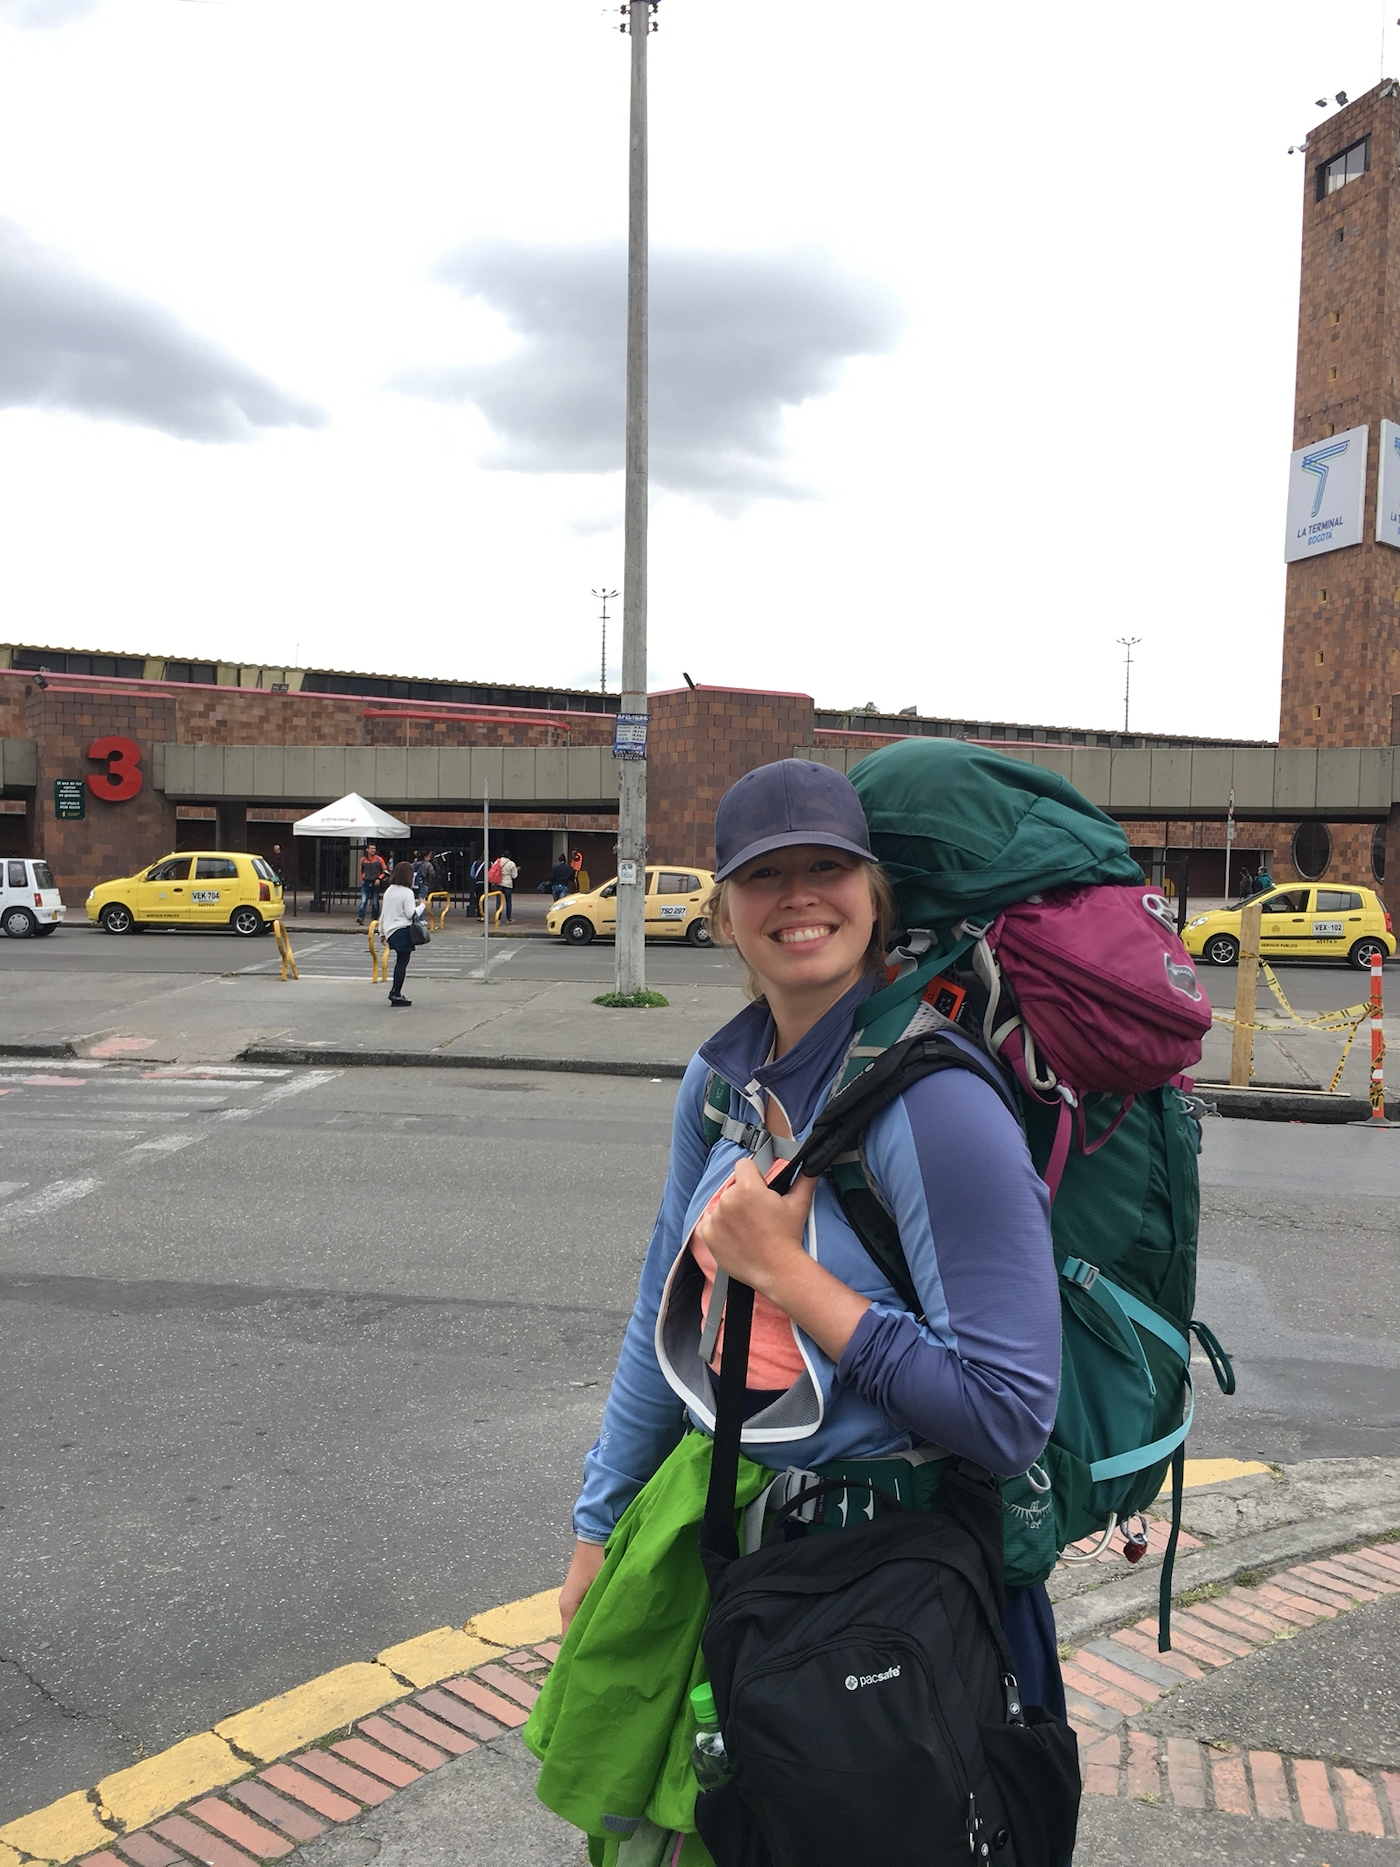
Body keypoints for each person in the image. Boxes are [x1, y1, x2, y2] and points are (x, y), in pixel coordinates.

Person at [531, 759, 1065, 1858]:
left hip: (890, 1590)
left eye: (827, 866)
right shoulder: (722, 1087)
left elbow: (1007, 1412)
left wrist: (793, 1279)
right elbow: (660, 1316)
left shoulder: (937, 1103)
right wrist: (597, 1522)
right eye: (762, 875)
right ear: (723, 909)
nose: (797, 896)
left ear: (875, 897)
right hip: (733, 1551)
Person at [378, 861, 423, 1007]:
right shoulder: (407, 892)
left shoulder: (389, 890)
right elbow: (411, 914)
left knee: (399, 961)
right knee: (402, 962)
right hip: (403, 929)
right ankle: (396, 992)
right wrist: (422, 905)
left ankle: (395, 991)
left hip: (391, 930)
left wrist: (382, 932)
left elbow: (384, 914)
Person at [358, 843, 387, 924]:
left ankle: (374, 917)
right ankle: (361, 917)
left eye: (374, 848)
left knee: (375, 901)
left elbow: (385, 871)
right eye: (372, 848)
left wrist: (379, 878)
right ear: (367, 849)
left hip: (375, 882)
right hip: (366, 882)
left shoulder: (379, 859)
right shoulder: (363, 860)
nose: (373, 850)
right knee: (364, 900)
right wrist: (362, 879)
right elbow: (361, 871)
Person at [497, 850, 519, 922]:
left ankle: (498, 918)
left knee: (498, 901)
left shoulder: (498, 862)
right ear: (509, 856)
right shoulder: (511, 864)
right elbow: (514, 876)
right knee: (508, 901)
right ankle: (508, 918)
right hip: (507, 883)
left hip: (499, 883)